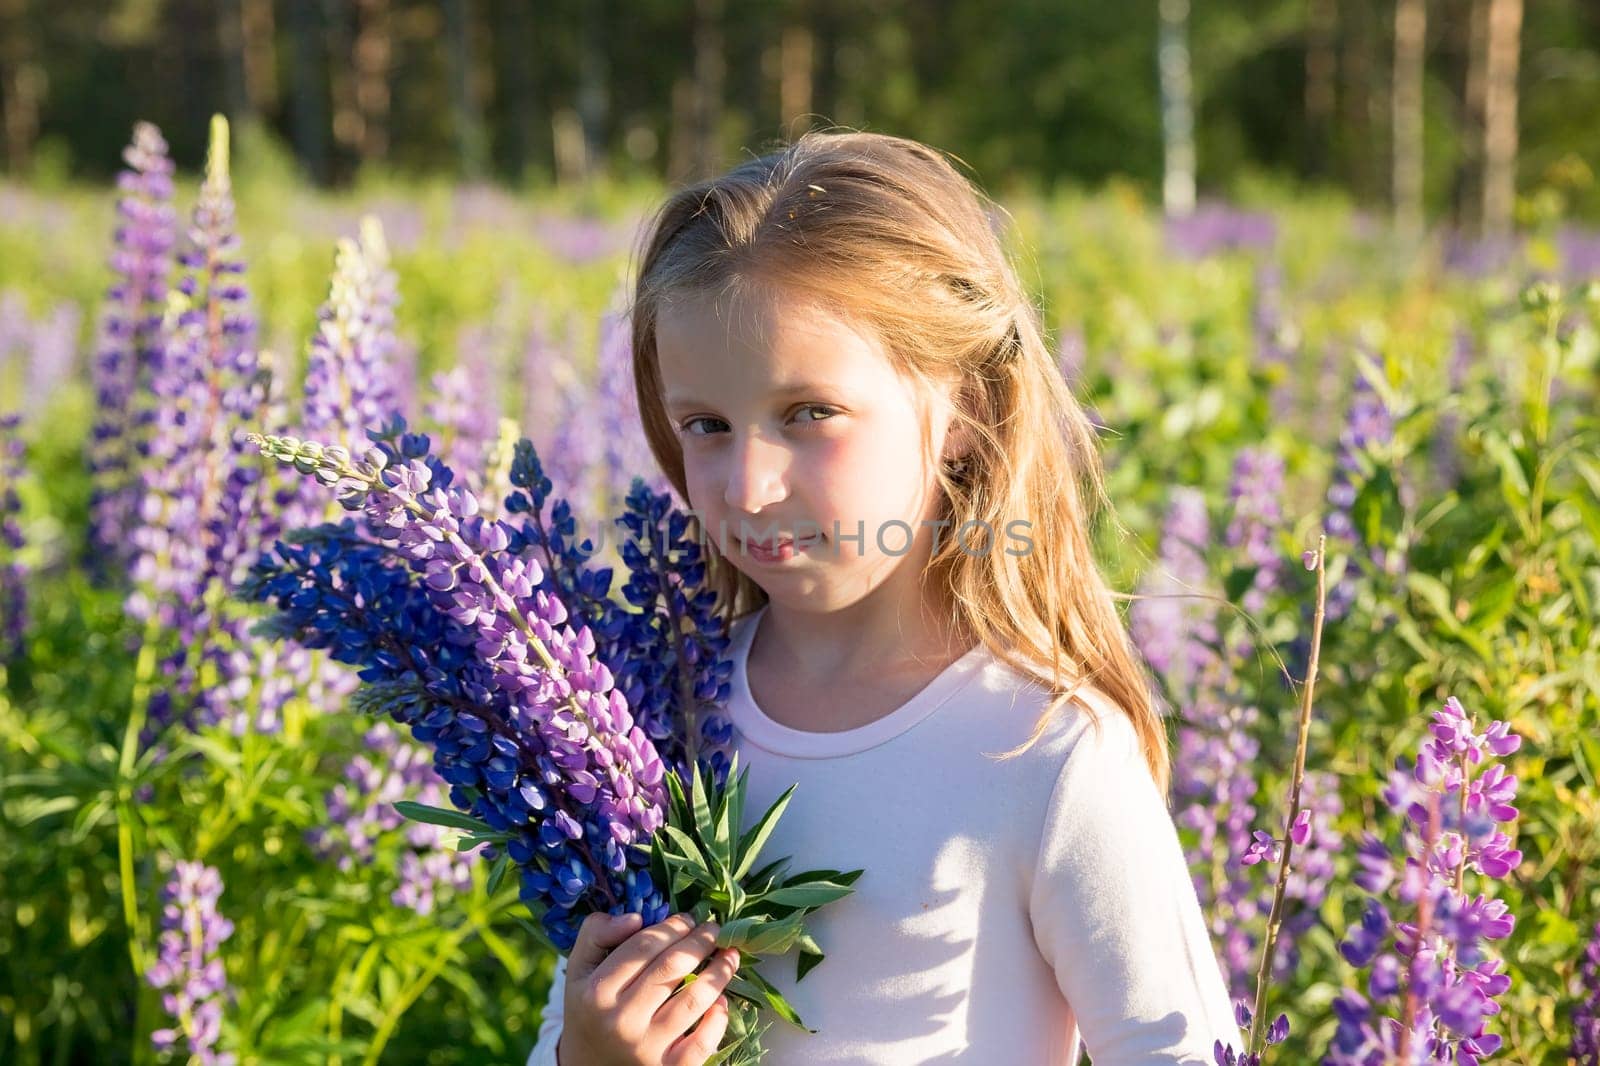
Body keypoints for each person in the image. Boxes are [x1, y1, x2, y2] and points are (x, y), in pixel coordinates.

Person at [526, 129, 1237, 1066]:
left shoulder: (1044, 749)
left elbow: (1181, 1050)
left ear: (967, 411)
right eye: (706, 425)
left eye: (809, 413)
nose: (746, 485)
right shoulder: (648, 725)